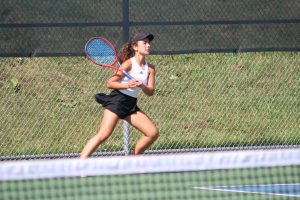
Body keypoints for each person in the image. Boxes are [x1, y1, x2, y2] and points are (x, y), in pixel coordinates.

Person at [80, 32, 159, 159]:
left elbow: (150, 92)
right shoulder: (128, 64)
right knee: (104, 134)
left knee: (152, 133)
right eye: (144, 43)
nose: (148, 45)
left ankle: (134, 161)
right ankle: (79, 165)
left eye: (149, 43)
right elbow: (110, 83)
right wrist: (128, 85)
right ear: (135, 47)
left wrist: (142, 86)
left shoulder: (150, 69)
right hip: (117, 101)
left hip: (130, 104)